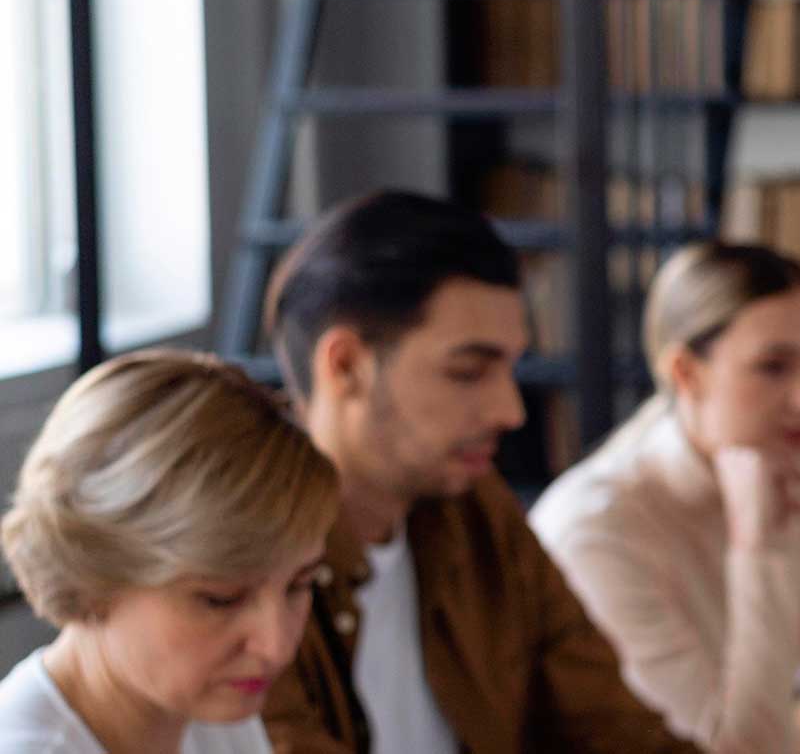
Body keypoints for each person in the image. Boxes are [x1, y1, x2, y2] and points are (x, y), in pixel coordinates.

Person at [256, 191, 698, 754]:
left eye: (511, 369)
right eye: (468, 372)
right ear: (345, 366)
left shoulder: (478, 513)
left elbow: (616, 730)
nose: (510, 411)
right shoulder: (247, 572)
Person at [530, 242, 800, 754]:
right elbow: (728, 750)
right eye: (774, 367)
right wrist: (758, 550)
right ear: (686, 374)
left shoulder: (773, 466)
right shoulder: (597, 533)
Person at [0, 349, 340, 753]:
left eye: (299, 585)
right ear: (92, 574)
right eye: (220, 600)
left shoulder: (205, 710)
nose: (277, 646)